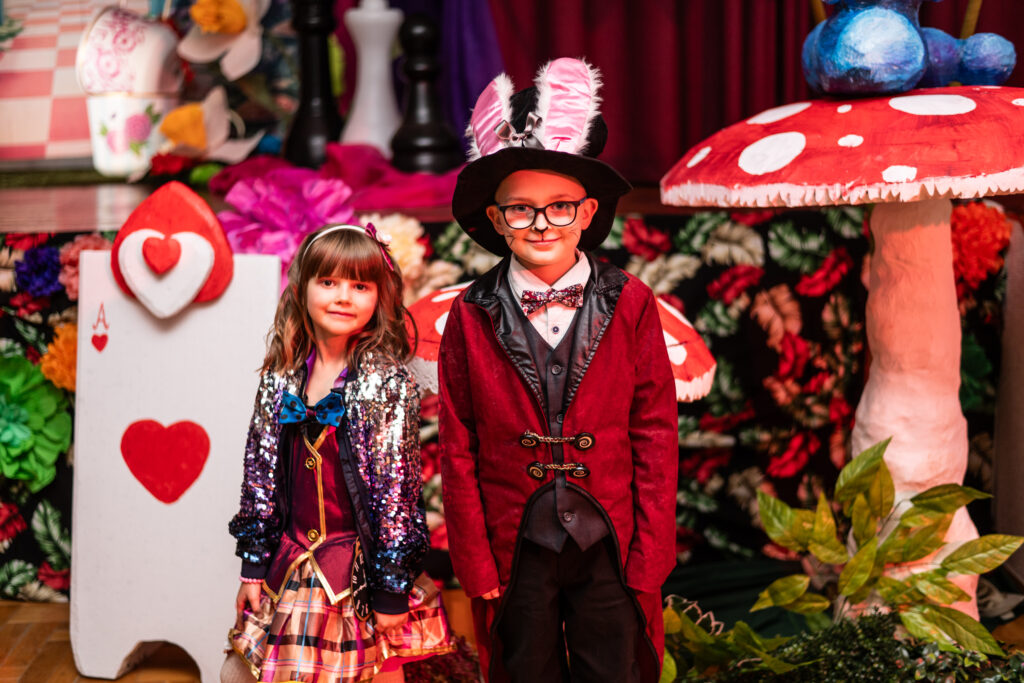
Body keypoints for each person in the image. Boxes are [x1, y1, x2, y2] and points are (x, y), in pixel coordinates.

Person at [439, 58, 679, 683]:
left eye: (560, 207)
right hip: (515, 543)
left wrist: (651, 554)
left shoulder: (630, 301)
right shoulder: (470, 313)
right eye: (521, 210)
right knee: (524, 666)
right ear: (497, 220)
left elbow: (655, 430)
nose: (542, 224)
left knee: (616, 666)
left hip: (612, 540)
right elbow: (458, 445)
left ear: (588, 212)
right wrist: (476, 563)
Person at [221, 224, 454, 683]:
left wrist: (391, 591)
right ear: (301, 288)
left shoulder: (386, 384)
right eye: (328, 282)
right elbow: (259, 477)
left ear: (379, 297)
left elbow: (396, 497)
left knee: (375, 670)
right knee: (249, 671)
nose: (343, 297)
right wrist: (253, 568)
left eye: (360, 286)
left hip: (359, 572)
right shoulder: (281, 376)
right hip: (291, 564)